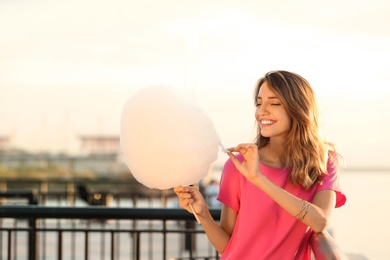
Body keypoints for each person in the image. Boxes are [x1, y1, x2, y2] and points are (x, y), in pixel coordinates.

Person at [174, 70, 347, 259]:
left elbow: (320, 221)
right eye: (259, 102)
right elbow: (228, 246)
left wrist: (260, 180)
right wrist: (203, 213)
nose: (261, 111)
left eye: (274, 103)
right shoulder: (238, 165)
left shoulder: (325, 162)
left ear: (298, 108)